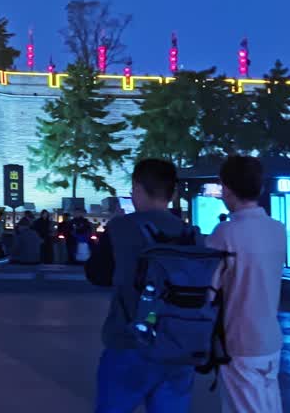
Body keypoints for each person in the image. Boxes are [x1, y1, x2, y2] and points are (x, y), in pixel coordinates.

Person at [85, 159, 194, 413]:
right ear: (172, 193)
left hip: (130, 342)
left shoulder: (121, 227)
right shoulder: (188, 232)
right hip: (179, 345)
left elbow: (97, 274)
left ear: (137, 187)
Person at [206, 156, 287, 413]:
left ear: (226, 188)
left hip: (239, 340)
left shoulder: (225, 233)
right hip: (270, 337)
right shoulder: (277, 229)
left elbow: (208, 289)